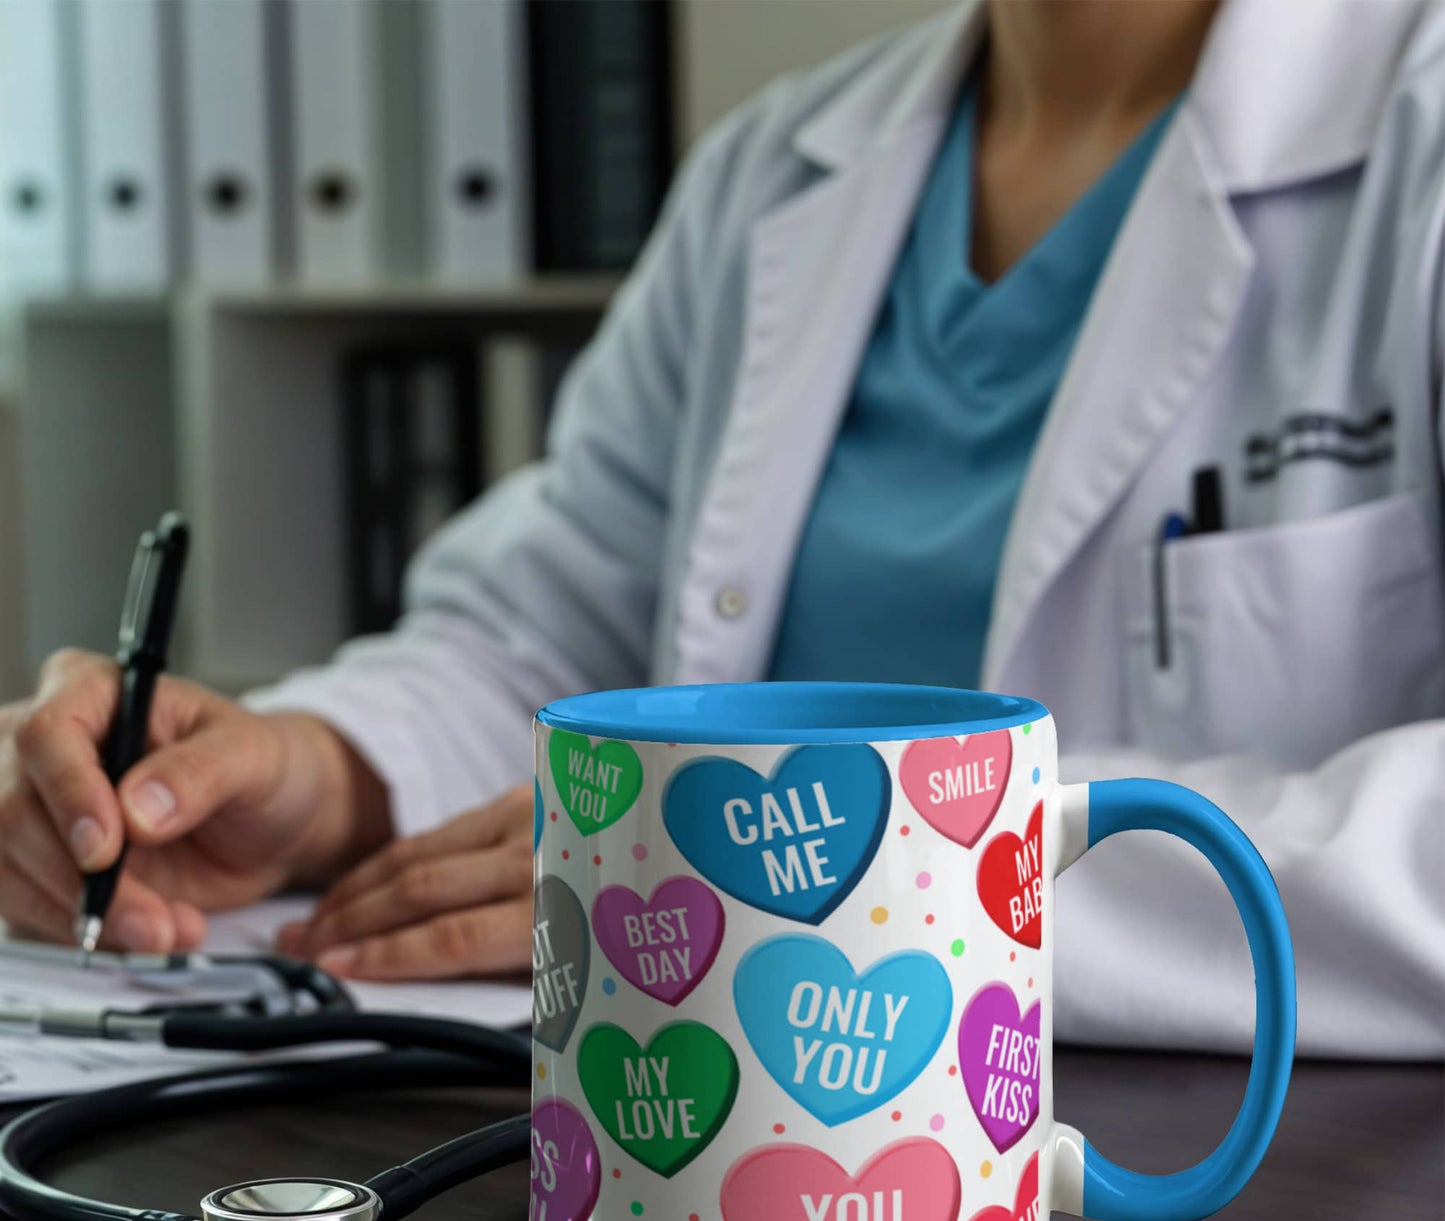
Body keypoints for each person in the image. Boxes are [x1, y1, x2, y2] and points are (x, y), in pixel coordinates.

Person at [0, 0, 1441, 1056]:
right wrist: (318, 779)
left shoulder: (1412, 134)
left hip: (1246, 1195)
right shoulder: (778, 170)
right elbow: (551, 639)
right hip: (718, 1137)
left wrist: (870, 876)